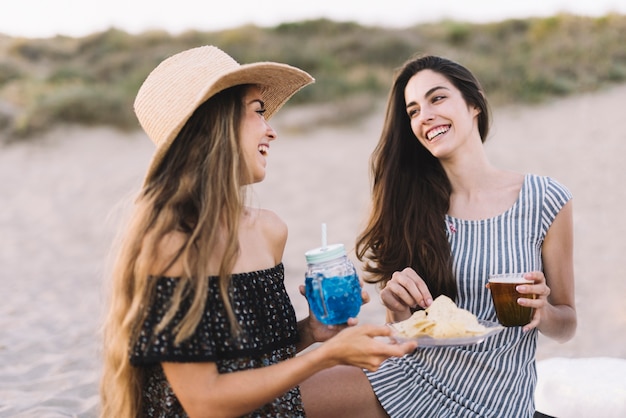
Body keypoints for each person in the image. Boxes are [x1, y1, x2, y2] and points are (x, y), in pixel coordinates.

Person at [99, 45, 416, 418]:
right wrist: (326, 357)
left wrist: (313, 333)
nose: (271, 131)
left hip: (262, 407)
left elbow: (254, 359)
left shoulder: (268, 230)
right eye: (257, 112)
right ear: (214, 125)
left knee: (381, 383)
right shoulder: (172, 240)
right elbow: (204, 402)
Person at [301, 54, 576, 417]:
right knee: (273, 401)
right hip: (408, 379)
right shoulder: (409, 206)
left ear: (474, 103)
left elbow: (567, 323)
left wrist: (542, 310)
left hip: (495, 400)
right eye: (413, 110)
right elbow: (402, 333)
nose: (424, 116)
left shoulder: (546, 199)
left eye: (437, 98)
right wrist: (396, 307)